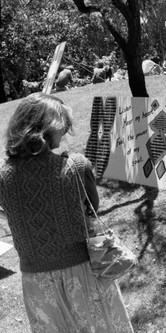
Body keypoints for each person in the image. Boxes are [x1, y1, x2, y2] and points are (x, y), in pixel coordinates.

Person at [0, 93, 134, 333]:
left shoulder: (2, 178)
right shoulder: (76, 166)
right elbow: (93, 207)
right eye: (63, 126)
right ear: (49, 128)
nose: (65, 133)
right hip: (82, 275)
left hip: (37, 283)